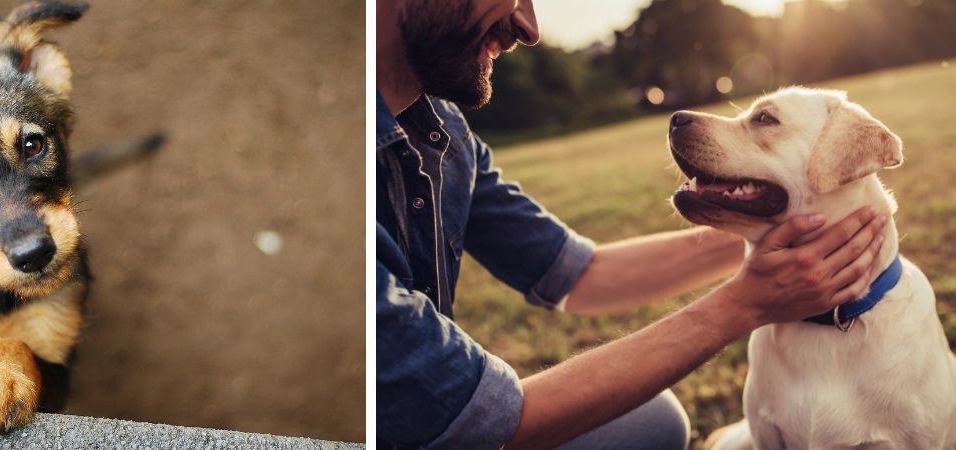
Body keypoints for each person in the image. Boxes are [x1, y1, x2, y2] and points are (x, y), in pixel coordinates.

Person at [374, 1, 886, 449]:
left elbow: (580, 274)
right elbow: (475, 423)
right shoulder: (314, 182)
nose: (528, 25)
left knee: (650, 423)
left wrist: (787, 228)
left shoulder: (442, 133)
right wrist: (745, 302)